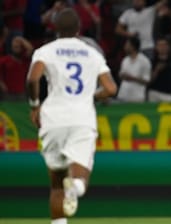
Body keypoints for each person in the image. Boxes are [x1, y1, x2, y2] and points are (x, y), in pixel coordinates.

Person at [26, 8, 118, 224]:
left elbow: (32, 79)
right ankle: (75, 187)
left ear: (55, 28)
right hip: (81, 119)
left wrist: (34, 105)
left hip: (52, 119)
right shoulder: (92, 53)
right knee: (78, 179)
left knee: (56, 184)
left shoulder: (45, 51)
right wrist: (92, 95)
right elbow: (111, 89)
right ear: (79, 29)